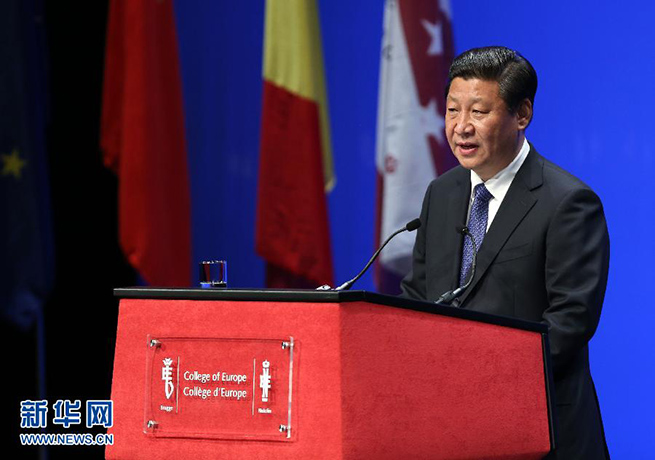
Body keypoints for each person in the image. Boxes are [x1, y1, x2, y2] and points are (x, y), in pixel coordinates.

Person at [401, 46, 610, 459]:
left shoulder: (568, 202)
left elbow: (570, 322)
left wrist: (479, 377)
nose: (461, 127)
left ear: (522, 114)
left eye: (478, 112)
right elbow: (418, 296)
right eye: (452, 111)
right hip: (450, 428)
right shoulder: (441, 193)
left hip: (541, 431)